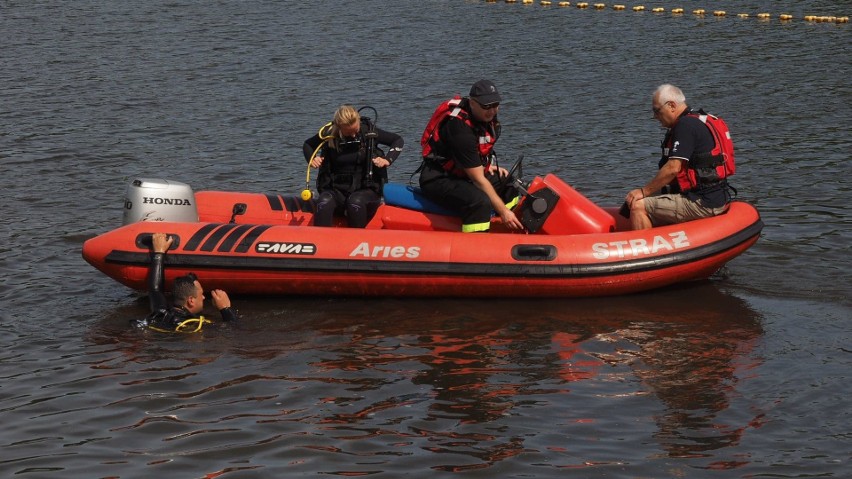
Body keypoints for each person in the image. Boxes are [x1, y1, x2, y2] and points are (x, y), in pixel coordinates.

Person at [624, 84, 735, 230]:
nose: (654, 116)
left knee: (638, 206)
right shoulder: (697, 119)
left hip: (702, 202)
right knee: (635, 200)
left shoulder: (685, 126)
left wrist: (643, 191)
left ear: (671, 105)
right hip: (715, 196)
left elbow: (673, 168)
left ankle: (645, 251)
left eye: (656, 111)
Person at [418, 79, 523, 233]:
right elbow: (478, 179)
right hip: (439, 179)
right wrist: (503, 211)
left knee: (509, 185)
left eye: (495, 105)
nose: (492, 111)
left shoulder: (485, 118)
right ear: (472, 103)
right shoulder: (460, 129)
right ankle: (476, 243)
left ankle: (510, 228)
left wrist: (486, 166)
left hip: (463, 173)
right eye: (486, 106)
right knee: (479, 201)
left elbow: (474, 154)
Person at [303, 105, 404, 228]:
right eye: (348, 132)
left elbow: (397, 140)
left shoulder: (368, 132)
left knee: (355, 202)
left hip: (366, 191)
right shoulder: (329, 134)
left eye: (355, 131)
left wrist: (387, 160)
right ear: (339, 128)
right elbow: (308, 145)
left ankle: (357, 240)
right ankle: (320, 241)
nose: (353, 135)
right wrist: (312, 159)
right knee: (324, 202)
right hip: (336, 190)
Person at [133, 232, 237, 332]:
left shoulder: (160, 313)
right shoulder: (195, 325)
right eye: (201, 294)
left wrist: (159, 253)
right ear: (191, 300)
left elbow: (155, 289)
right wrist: (225, 308)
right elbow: (233, 331)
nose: (204, 297)